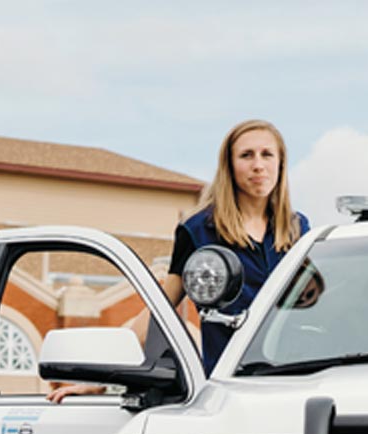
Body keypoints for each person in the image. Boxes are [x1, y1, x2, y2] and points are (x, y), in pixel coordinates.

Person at [48, 119, 308, 401]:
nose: (258, 165)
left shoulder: (298, 229)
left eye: (267, 154)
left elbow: (320, 305)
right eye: (246, 155)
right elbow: (159, 310)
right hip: (231, 389)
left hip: (297, 384)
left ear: (281, 163)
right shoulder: (200, 230)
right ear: (229, 166)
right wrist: (101, 380)